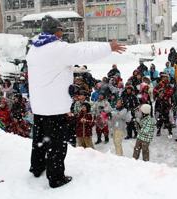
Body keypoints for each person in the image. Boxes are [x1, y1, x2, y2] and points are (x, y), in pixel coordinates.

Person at [26, 15, 126, 188]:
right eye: (60, 30)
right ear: (55, 31)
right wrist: (108, 46)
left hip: (40, 105)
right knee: (56, 144)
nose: (62, 33)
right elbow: (84, 52)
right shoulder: (58, 48)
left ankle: (37, 167)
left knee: (40, 139)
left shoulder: (34, 49)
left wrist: (70, 68)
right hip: (55, 106)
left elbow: (50, 67)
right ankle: (56, 177)